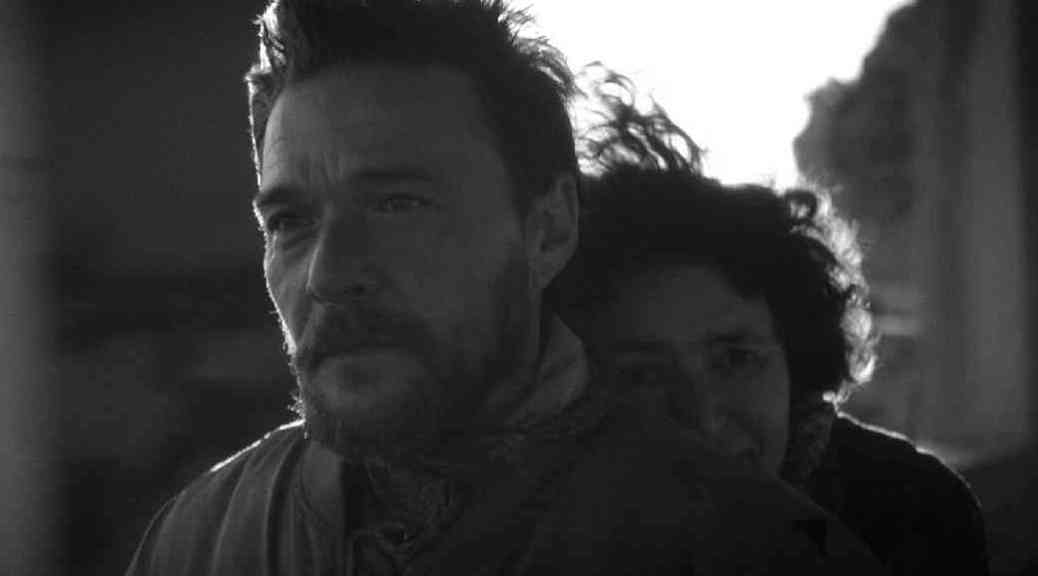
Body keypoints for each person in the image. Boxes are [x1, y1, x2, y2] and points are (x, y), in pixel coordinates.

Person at [126, 2, 888, 574]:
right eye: (290, 221)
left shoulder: (751, 549)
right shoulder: (203, 538)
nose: (329, 275)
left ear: (548, 230)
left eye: (398, 204)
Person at [558, 80, 990, 575]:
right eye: (644, 376)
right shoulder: (545, 529)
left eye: (734, 359)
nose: (703, 417)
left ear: (795, 357)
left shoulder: (912, 511)